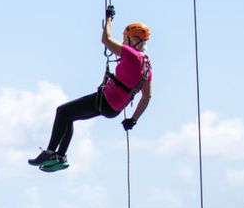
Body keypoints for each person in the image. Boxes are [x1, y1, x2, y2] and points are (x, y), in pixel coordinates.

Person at [29, 13, 152, 172]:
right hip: (113, 108)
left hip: (105, 101)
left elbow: (106, 40)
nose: (123, 42)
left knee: (63, 112)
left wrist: (108, 19)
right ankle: (60, 157)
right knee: (68, 116)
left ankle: (51, 153)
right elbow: (147, 96)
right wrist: (133, 120)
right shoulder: (147, 65)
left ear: (133, 40)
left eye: (125, 38)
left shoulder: (132, 55)